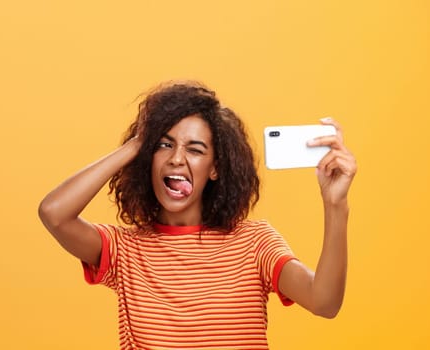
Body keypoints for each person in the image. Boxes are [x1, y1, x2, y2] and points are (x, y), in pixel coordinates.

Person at [38, 81, 356, 349]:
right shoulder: (124, 249)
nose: (177, 158)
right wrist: (138, 143)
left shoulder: (255, 243)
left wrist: (335, 204)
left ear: (215, 168)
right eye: (164, 145)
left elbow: (324, 302)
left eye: (195, 149)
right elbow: (54, 213)